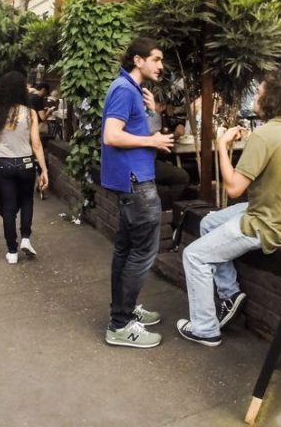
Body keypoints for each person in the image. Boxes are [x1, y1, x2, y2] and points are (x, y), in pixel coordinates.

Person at [177, 70, 281, 346]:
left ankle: (205, 328)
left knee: (194, 256)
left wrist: (222, 145)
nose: (254, 98)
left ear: (271, 99)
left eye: (258, 93)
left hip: (266, 224)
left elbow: (234, 189)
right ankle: (230, 294)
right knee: (208, 222)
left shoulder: (263, 135)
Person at [101, 37, 175, 349]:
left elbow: (135, 130)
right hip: (137, 182)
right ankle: (120, 324)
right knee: (142, 254)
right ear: (138, 60)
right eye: (156, 59)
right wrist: (152, 141)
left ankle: (123, 311)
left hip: (132, 181)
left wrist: (151, 111)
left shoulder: (131, 89)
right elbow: (112, 135)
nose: (161, 65)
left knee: (126, 250)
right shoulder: (123, 89)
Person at [0, 71, 49, 264]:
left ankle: (12, 251)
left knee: (9, 207)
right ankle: (26, 238)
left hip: (4, 164)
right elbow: (36, 143)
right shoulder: (30, 113)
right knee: (27, 200)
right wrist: (44, 170)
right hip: (26, 163)